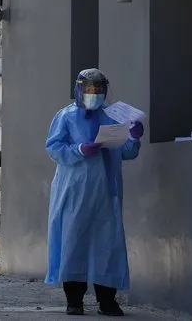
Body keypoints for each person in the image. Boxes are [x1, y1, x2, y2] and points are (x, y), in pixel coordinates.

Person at [44, 68, 144, 316]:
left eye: (99, 89)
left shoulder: (113, 116)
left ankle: (107, 300)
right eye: (89, 89)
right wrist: (79, 149)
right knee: (73, 241)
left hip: (106, 192)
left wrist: (134, 137)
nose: (94, 94)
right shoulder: (65, 116)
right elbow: (54, 148)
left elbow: (127, 152)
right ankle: (74, 300)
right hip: (74, 191)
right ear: (78, 89)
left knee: (107, 245)